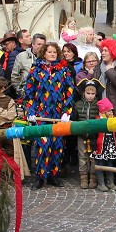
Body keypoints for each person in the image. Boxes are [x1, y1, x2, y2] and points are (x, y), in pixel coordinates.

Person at [22, 42, 74, 189]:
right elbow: (29, 92)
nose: (52, 54)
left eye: (54, 52)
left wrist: (66, 112)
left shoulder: (64, 70)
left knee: (57, 145)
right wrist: (31, 111)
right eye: (49, 52)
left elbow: (69, 91)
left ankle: (53, 175)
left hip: (58, 114)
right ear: (44, 53)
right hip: (41, 113)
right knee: (42, 145)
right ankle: (40, 177)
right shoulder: (35, 69)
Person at [73, 78, 102, 189]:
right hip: (81, 135)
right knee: (82, 156)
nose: (90, 95)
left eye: (92, 93)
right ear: (83, 93)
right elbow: (75, 119)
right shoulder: (78, 104)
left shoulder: (99, 105)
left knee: (93, 157)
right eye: (88, 93)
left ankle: (93, 178)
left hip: (94, 136)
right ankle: (83, 177)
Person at [92, 98, 116, 192]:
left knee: (110, 165)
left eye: (112, 110)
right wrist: (94, 148)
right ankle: (101, 183)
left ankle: (110, 182)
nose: (111, 112)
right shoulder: (97, 121)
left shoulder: (114, 120)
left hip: (110, 148)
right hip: (100, 149)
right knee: (99, 165)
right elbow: (93, 136)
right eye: (109, 110)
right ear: (103, 111)